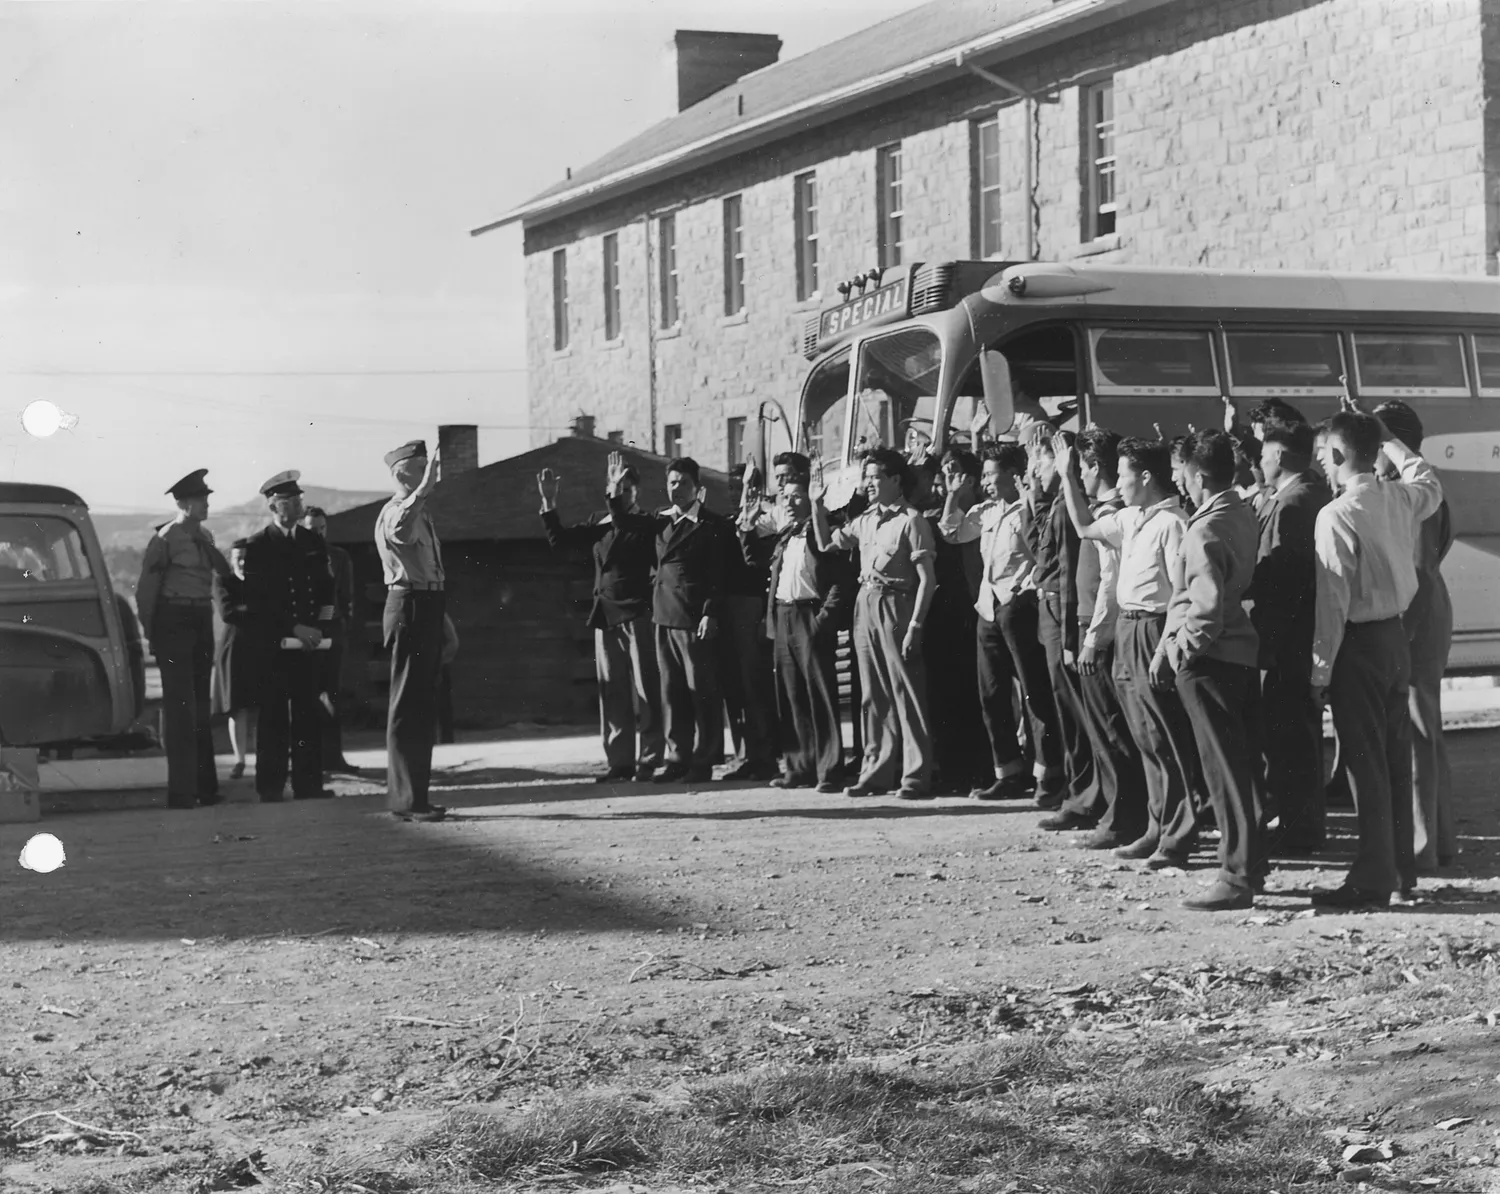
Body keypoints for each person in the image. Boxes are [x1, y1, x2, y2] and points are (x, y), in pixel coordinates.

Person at [1310, 402, 1443, 909]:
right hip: (1395, 641)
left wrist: (1318, 671)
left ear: (1340, 452)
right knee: (1392, 757)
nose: (1322, 461)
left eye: (1325, 453)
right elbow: (1429, 481)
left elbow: (1332, 602)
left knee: (1364, 767)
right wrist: (1389, 439)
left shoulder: (1336, 514)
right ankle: (1399, 871)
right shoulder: (1398, 498)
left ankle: (1371, 879)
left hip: (1358, 645)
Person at [1055, 434, 1202, 869]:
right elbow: (1084, 526)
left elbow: (1181, 592)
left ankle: (1177, 836)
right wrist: (1067, 477)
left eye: (1122, 474)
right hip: (1127, 628)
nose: (1117, 483)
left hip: (1154, 629)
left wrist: (1165, 648)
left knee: (1166, 737)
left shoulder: (1172, 523)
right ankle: (1156, 828)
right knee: (1144, 736)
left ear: (1144, 476)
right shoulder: (1133, 518)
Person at [1155, 430, 1264, 911]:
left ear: (1198, 475)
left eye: (1181, 470)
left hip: (1210, 661)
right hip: (1237, 655)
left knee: (1222, 772)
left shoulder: (1202, 529)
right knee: (1239, 768)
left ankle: (1236, 876)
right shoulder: (1239, 513)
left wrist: (1180, 652)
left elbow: (1204, 609)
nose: (1177, 477)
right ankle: (1247, 865)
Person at [812, 448, 937, 799]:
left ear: (896, 480)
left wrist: (915, 625)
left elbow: (927, 579)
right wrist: (816, 506)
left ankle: (915, 775)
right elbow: (825, 543)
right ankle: (875, 771)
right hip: (865, 604)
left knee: (905, 690)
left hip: (897, 605)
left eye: (875, 477)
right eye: (866, 477)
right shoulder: (866, 519)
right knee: (872, 695)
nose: (868, 484)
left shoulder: (912, 521)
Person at [939, 442, 1061, 802]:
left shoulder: (1029, 508)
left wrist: (1025, 590)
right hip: (989, 608)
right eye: (986, 475)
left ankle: (1048, 774)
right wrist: (954, 496)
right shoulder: (986, 510)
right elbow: (952, 532)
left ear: (1013, 475)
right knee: (992, 693)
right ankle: (1007, 772)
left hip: (1018, 604)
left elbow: (1040, 553)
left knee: (1033, 692)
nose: (987, 481)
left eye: (993, 474)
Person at [1048, 429, 1151, 847]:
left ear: (1093, 469)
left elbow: (1110, 583)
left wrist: (1093, 638)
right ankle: (1112, 808)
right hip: (1089, 623)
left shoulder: (1111, 517)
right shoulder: (1103, 512)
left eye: (1082, 469)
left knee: (1112, 728)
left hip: (1101, 628)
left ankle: (1122, 817)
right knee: (1101, 728)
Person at [606, 452, 732, 784]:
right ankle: (678, 758)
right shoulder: (659, 522)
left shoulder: (710, 525)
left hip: (694, 620)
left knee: (699, 692)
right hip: (663, 616)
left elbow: (719, 577)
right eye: (672, 483)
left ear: (697, 488)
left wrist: (710, 613)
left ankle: (703, 761)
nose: (676, 489)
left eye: (683, 483)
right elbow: (622, 522)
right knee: (672, 693)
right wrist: (616, 489)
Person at [538, 456, 664, 782]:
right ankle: (619, 762)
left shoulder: (647, 523)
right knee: (613, 693)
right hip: (607, 615)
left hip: (638, 614)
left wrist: (613, 494)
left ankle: (649, 760)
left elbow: (623, 525)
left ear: (636, 492)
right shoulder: (600, 521)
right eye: (617, 488)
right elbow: (560, 543)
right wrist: (549, 503)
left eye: (627, 488)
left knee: (646, 690)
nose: (621, 494)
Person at [1373, 400, 1456, 874]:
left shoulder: (1412, 495)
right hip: (1423, 610)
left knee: (1417, 733)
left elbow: (1420, 573)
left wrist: (1399, 640)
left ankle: (1425, 846)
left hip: (1415, 616)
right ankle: (1439, 843)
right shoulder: (1413, 488)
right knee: (1423, 732)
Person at [1250, 420, 1330, 854]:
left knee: (1288, 737)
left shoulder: (1292, 504)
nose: (1260, 462)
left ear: (1279, 456)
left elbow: (1281, 582)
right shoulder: (1308, 494)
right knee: (1297, 735)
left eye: (1263, 454)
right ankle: (1301, 824)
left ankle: (1299, 830)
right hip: (1300, 639)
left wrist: (1269, 646)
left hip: (1286, 642)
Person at [136, 468, 230, 809]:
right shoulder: (165, 539)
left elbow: (220, 577)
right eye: (200, 500)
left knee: (201, 707)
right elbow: (147, 591)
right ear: (183, 503)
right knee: (180, 708)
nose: (206, 504)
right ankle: (182, 793)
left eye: (206, 499)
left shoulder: (205, 536)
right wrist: (151, 632)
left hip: (200, 617)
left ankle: (206, 788)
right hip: (172, 620)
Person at [242, 471, 335, 803]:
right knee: (274, 718)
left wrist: (320, 630)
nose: (298, 505)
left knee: (308, 715)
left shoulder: (312, 542)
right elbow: (259, 601)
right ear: (273, 505)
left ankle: (309, 785)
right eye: (290, 501)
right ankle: (270, 786)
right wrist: (294, 628)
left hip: (309, 645)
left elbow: (326, 592)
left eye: (299, 499)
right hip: (275, 646)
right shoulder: (258, 545)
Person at [756, 476, 850, 790]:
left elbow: (838, 582)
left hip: (810, 615)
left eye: (797, 496)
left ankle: (829, 770)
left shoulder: (821, 531)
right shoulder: (784, 535)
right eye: (786, 497)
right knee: (791, 694)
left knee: (819, 695)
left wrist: (823, 620)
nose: (790, 502)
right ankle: (799, 767)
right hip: (783, 615)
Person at [1024, 430, 1099, 815]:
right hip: (1049, 612)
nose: (1035, 468)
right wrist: (1035, 493)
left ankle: (1084, 795)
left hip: (1061, 613)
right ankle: (1077, 789)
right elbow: (1038, 547)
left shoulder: (1071, 504)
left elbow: (1069, 569)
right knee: (1062, 708)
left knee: (1073, 712)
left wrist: (1070, 634)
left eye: (1043, 459)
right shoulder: (1055, 502)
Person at [377, 441, 449, 821]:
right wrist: (420, 494)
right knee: (407, 705)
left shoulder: (421, 512)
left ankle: (415, 797)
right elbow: (402, 531)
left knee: (422, 706)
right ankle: (406, 801)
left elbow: (429, 572)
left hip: (427, 605)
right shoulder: (396, 513)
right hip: (410, 606)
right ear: (401, 473)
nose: (431, 473)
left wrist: (444, 620)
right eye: (422, 467)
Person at [921, 448, 991, 795]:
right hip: (943, 611)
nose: (946, 482)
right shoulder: (939, 508)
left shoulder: (980, 511)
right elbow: (944, 526)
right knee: (944, 695)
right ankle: (950, 771)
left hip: (973, 608)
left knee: (974, 693)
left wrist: (954, 495)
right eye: (942, 476)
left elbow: (954, 531)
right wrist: (948, 494)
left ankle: (981, 771)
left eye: (954, 473)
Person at [720, 462, 780, 782]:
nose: (735, 495)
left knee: (754, 686)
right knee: (735, 688)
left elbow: (760, 569)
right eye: (731, 488)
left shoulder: (764, 525)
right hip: (728, 609)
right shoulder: (727, 524)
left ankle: (764, 755)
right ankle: (745, 754)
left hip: (751, 608)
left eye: (741, 488)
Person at [301, 506, 357, 775]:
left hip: (332, 634)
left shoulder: (339, 557)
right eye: (312, 529)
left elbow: (345, 598)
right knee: (305, 696)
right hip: (304, 636)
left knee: (332, 696)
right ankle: (308, 760)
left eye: (321, 529)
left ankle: (334, 758)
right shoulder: (295, 556)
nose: (317, 534)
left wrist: (338, 624)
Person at [211, 538, 259, 781]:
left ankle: (263, 759)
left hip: (260, 648)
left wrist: (246, 609)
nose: (241, 562)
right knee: (237, 708)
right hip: (234, 650)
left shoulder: (261, 583)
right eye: (237, 558)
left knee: (261, 707)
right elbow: (227, 612)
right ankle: (240, 760)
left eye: (246, 558)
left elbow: (268, 610)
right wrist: (251, 609)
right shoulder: (223, 581)